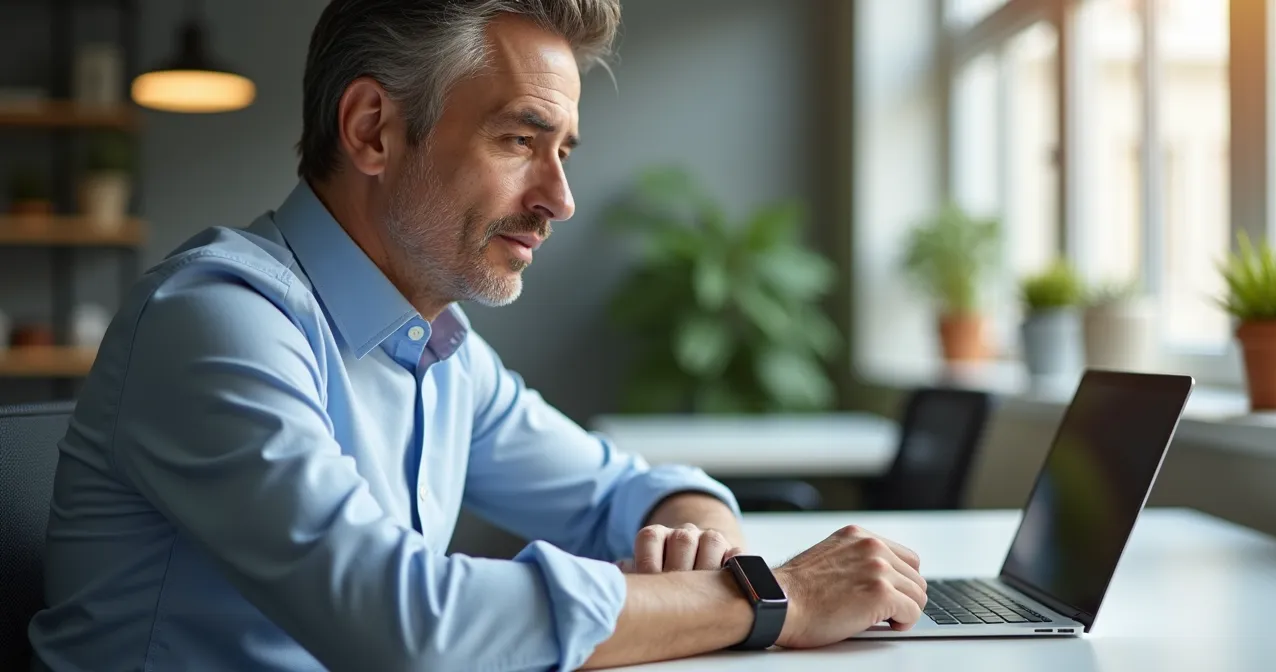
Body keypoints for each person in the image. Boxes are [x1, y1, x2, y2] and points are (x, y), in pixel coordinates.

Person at [27, 1, 927, 670]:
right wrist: (773, 598)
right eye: (517, 141)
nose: (558, 200)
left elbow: (625, 490)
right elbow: (409, 625)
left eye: (562, 150)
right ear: (373, 130)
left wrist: (698, 530)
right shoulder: (215, 324)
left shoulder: (440, 349)